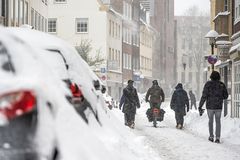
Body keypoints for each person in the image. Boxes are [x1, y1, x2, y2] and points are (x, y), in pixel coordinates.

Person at [198, 71, 228, 143]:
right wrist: (219, 96)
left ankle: (211, 137)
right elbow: (226, 96)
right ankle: (217, 138)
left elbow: (204, 96)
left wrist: (200, 105)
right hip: (218, 107)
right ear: (218, 77)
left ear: (211, 76)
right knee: (218, 122)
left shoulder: (208, 84)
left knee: (210, 121)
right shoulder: (221, 84)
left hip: (210, 106)